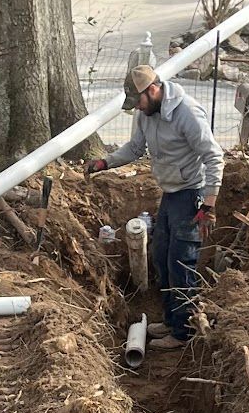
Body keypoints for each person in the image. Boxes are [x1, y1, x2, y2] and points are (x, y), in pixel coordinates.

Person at [86, 63, 223, 346]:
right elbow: (136, 148)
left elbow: (214, 157)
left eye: (140, 101)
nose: (137, 108)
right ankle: (172, 320)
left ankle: (183, 332)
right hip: (171, 194)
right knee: (161, 256)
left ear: (153, 89)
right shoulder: (147, 113)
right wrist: (105, 162)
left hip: (191, 195)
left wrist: (208, 205)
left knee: (181, 263)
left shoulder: (187, 113)